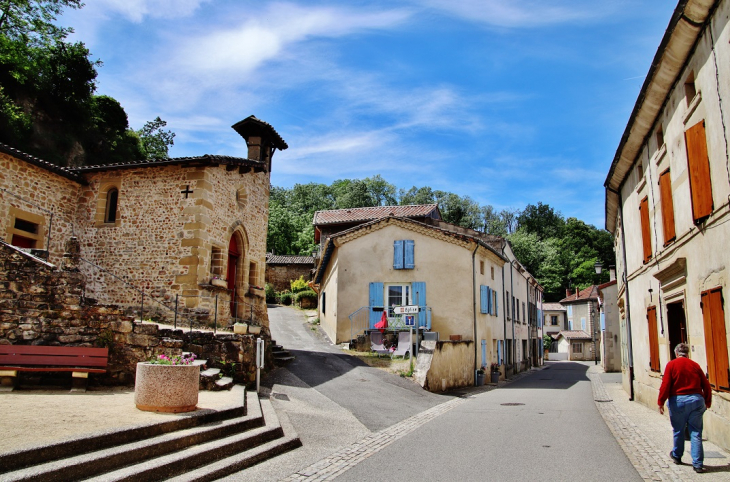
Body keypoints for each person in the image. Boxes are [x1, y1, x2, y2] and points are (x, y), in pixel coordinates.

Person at [657, 343, 712, 474]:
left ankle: (677, 455)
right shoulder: (695, 365)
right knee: (696, 432)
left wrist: (661, 401)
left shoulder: (671, 365)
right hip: (696, 400)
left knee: (678, 430)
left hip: (678, 401)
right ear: (688, 354)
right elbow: (706, 384)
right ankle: (698, 464)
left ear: (676, 353)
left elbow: (666, 384)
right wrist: (707, 401)